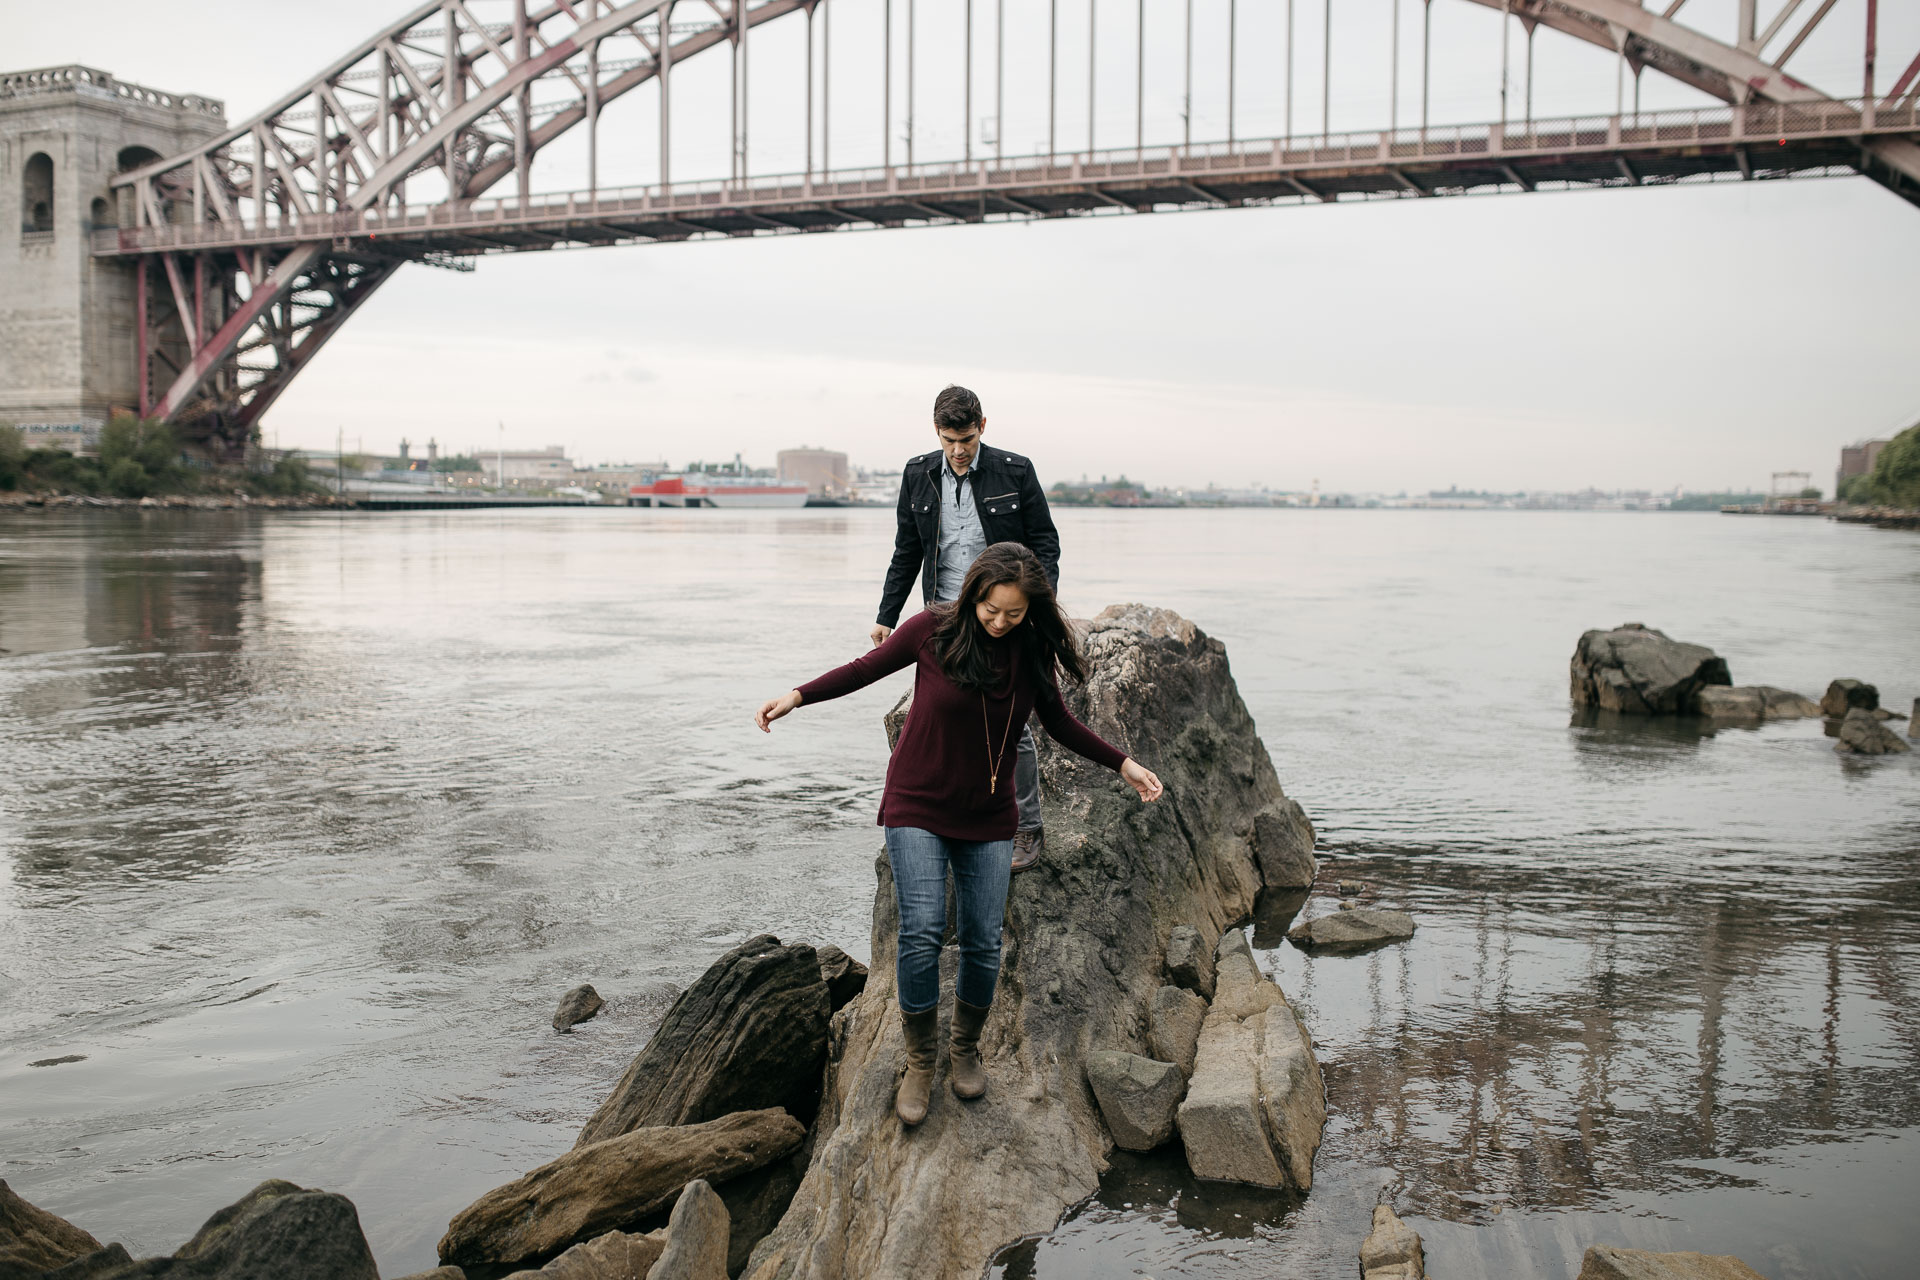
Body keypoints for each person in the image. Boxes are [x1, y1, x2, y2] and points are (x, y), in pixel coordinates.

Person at [759, 543, 1163, 1126]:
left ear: (1031, 611)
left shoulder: (1029, 650)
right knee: (921, 930)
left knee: (981, 939)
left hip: (989, 813)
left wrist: (1123, 764)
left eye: (1013, 614)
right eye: (991, 609)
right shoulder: (933, 629)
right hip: (917, 801)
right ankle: (922, 1060)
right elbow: (864, 670)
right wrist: (798, 695)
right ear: (974, 594)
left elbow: (1059, 723)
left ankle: (964, 1048)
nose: (999, 622)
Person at [871, 385, 1061, 873]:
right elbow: (907, 550)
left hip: (1001, 612)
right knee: (939, 716)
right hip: (946, 615)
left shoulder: (1015, 471)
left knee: (1008, 722)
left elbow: (1044, 542)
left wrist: (1037, 607)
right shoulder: (918, 474)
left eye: (968, 439)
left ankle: (1027, 827)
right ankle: (939, 817)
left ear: (983, 428)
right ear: (937, 431)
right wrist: (887, 615)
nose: (958, 451)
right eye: (949, 439)